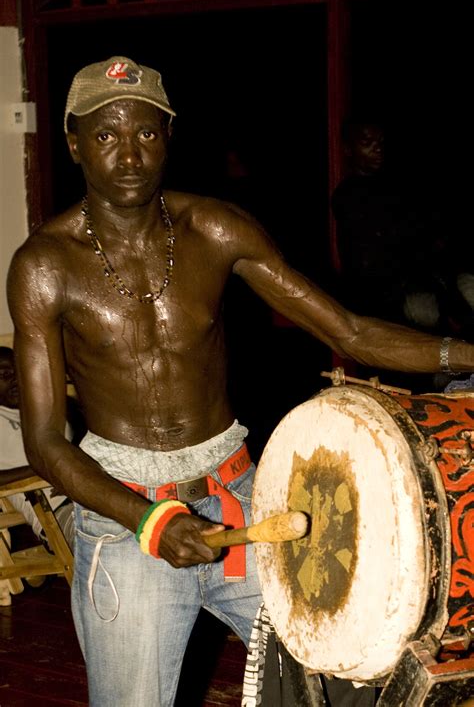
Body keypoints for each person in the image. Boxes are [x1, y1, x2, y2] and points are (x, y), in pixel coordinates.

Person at [6, 56, 474, 707]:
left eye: (145, 132)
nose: (129, 154)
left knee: (338, 673)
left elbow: (348, 330)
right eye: (106, 135)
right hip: (126, 516)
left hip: (240, 498)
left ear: (169, 133)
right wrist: (149, 521)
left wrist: (462, 353)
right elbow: (46, 442)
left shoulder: (215, 229)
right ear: (74, 143)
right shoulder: (44, 266)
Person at [331, 117, 471, 336]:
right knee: (428, 312)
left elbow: (427, 236)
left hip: (424, 283)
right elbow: (373, 261)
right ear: (349, 150)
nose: (377, 148)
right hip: (386, 298)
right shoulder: (349, 195)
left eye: (380, 141)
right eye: (367, 142)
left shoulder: (394, 187)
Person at [0, 346, 74, 603]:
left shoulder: (46, 410)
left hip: (93, 496)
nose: (13, 378)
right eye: (3, 374)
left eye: (16, 371)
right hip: (59, 511)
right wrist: (46, 470)